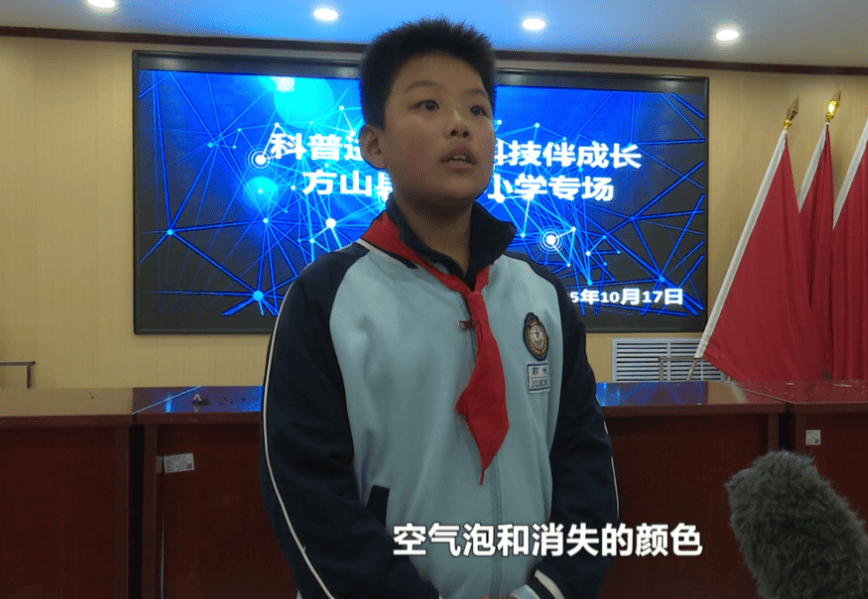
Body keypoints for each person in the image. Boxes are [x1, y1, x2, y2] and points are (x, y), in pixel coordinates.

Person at [259, 17, 619, 599]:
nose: (460, 124)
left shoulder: (543, 296)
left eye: (477, 109)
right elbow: (308, 500)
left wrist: (548, 592)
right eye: (428, 105)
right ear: (373, 145)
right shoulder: (324, 298)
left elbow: (585, 467)